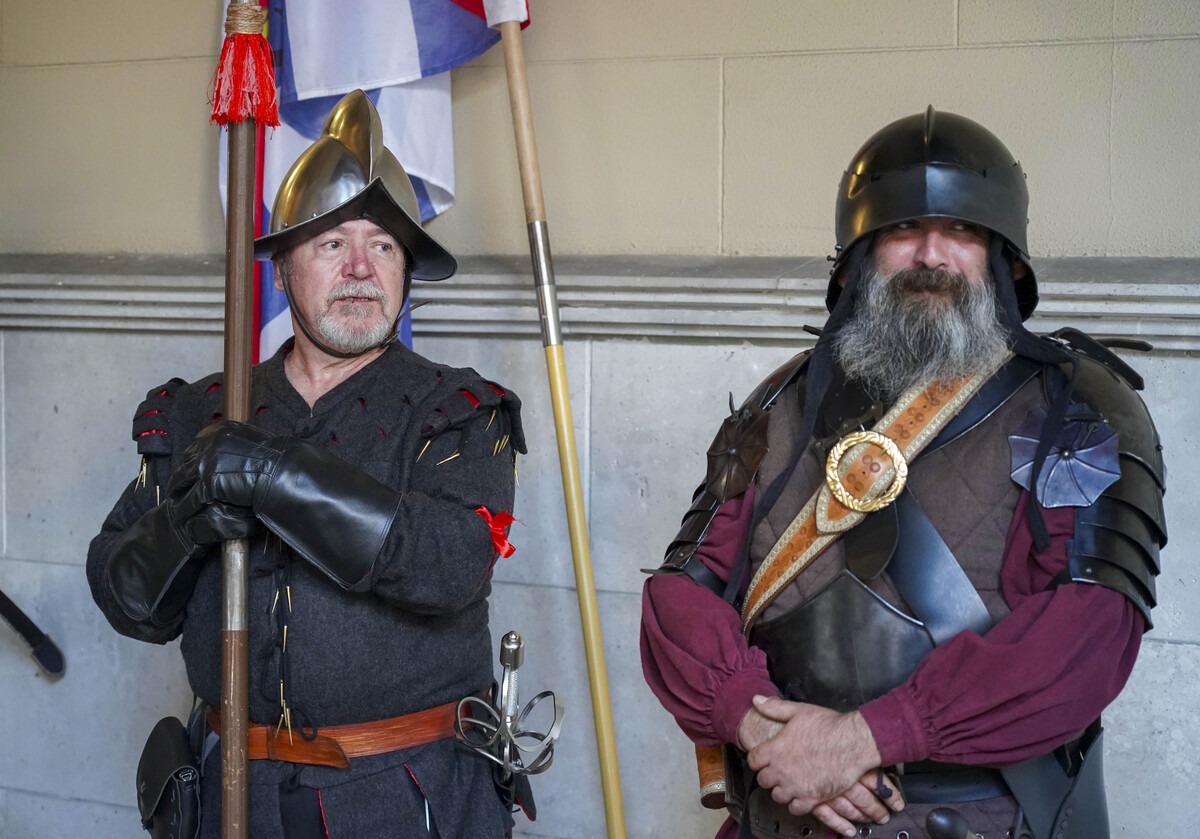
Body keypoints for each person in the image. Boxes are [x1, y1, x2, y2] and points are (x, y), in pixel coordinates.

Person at [641, 107, 1165, 839]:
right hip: (781, 810)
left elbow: (1088, 637)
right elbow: (679, 597)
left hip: (978, 817)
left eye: (963, 231)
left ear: (1004, 257)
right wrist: (763, 731)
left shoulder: (1077, 409)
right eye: (901, 230)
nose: (932, 254)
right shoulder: (781, 401)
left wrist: (866, 738)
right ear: (857, 257)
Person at [87, 90, 527, 839]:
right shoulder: (199, 411)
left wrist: (273, 476)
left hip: (406, 798)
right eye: (331, 244)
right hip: (234, 793)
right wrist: (186, 521)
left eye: (384, 245)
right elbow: (124, 597)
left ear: (407, 272)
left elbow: (450, 563)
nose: (361, 266)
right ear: (283, 272)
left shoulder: (459, 411)